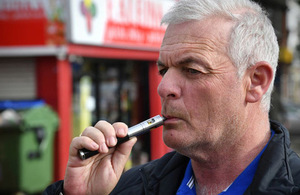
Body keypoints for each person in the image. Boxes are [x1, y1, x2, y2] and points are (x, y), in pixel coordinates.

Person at [44, 0, 300, 194]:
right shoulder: (129, 186)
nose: (164, 87)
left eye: (192, 70)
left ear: (256, 81)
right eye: (164, 70)